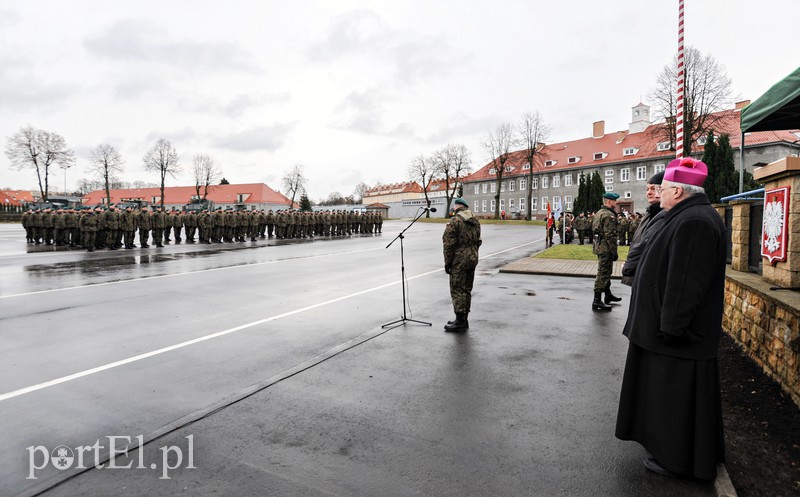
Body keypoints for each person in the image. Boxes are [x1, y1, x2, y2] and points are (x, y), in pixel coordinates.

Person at [615, 157, 726, 480]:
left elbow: (685, 284)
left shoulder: (694, 221)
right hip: (663, 334)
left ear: (677, 190)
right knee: (665, 398)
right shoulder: (683, 215)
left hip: (675, 338)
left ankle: (676, 459)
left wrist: (670, 328)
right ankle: (668, 451)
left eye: (662, 189)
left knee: (674, 402)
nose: (657, 194)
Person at [442, 198, 482, 332]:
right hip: (472, 257)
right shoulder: (475, 220)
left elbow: (448, 244)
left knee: (457, 288)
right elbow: (478, 240)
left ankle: (460, 321)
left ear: (458, 207)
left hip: (459, 259)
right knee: (467, 288)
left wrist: (447, 262)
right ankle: (463, 319)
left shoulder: (455, 221)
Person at [621, 171, 664, 287]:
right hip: (637, 271)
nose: (649, 193)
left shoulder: (664, 215)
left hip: (648, 275)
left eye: (653, 189)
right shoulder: (649, 214)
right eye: (647, 189)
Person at [591, 192, 620, 311]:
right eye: (614, 201)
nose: (616, 203)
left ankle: (608, 295)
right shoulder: (608, 215)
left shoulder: (600, 212)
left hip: (600, 246)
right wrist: (614, 251)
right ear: (609, 202)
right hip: (606, 248)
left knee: (606, 271)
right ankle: (597, 301)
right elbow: (610, 235)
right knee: (603, 273)